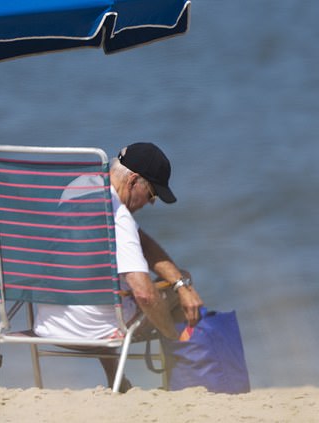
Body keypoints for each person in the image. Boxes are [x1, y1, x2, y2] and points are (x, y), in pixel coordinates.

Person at [33, 142, 204, 389]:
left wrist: (179, 280)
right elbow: (144, 295)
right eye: (152, 194)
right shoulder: (118, 218)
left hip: (49, 323)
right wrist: (171, 331)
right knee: (172, 292)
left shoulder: (78, 188)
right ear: (133, 181)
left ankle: (117, 380)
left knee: (105, 289)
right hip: (97, 332)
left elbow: (139, 239)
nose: (150, 203)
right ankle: (182, 380)